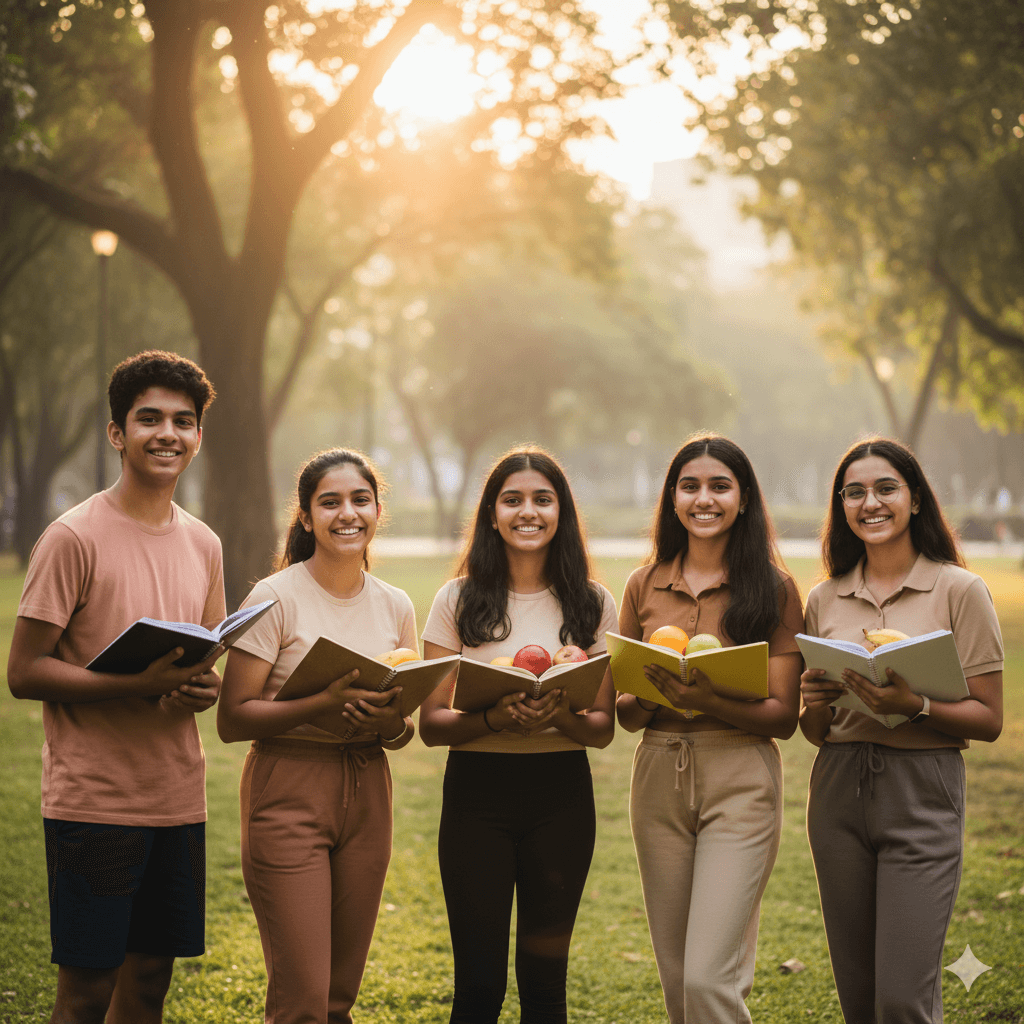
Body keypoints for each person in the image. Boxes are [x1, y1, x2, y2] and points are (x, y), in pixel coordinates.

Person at [7, 351, 222, 1024]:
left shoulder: (204, 543)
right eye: (149, 418)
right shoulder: (73, 537)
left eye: (182, 422)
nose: (167, 434)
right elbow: (23, 672)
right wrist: (134, 681)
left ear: (197, 436)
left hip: (177, 797)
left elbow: (203, 659)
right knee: (88, 990)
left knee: (151, 980)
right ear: (116, 433)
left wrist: (196, 688)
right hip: (94, 803)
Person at [799, 437, 1003, 1024]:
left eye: (886, 488)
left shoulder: (959, 590)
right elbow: (816, 730)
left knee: (902, 1000)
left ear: (915, 499)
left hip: (923, 791)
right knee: (859, 1002)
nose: (871, 503)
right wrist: (814, 702)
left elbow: (988, 719)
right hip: (837, 791)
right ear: (841, 506)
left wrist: (916, 704)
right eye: (855, 492)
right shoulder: (824, 597)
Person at [418, 446, 618, 1024]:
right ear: (491, 513)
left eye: (542, 499)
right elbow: (432, 724)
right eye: (512, 500)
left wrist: (557, 716)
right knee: (477, 989)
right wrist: (493, 721)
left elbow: (601, 729)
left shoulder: (592, 602)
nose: (527, 512)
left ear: (562, 512)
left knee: (545, 990)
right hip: (475, 799)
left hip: (561, 800)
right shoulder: (457, 599)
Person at [217, 448, 416, 1024]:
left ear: (378, 510)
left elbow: (402, 729)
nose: (346, 513)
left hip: (368, 789)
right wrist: (321, 704)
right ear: (305, 516)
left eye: (360, 500)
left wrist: (388, 724)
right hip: (288, 788)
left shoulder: (395, 604)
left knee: (337, 997)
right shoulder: (273, 597)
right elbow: (233, 719)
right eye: (329, 503)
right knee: (302, 999)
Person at [615, 434, 803, 1024]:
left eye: (720, 486)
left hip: (741, 776)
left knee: (708, 980)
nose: (704, 499)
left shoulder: (773, 589)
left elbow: (785, 715)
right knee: (678, 982)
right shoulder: (643, 585)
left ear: (743, 499)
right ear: (672, 498)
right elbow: (624, 713)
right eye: (690, 486)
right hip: (657, 776)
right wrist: (651, 692)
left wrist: (709, 698)